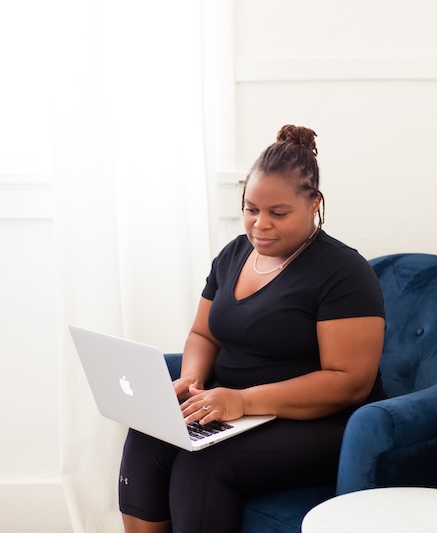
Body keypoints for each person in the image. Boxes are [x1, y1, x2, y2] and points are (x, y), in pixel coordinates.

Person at [119, 125, 386, 533]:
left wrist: (243, 401)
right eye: (251, 209)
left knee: (203, 463)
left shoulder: (344, 272)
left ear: (314, 204)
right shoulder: (233, 255)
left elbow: (348, 382)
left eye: (278, 213)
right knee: (147, 439)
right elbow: (203, 334)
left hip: (316, 423)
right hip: (233, 410)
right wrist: (192, 377)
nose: (260, 225)